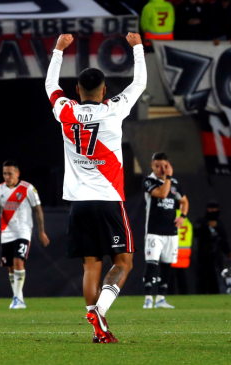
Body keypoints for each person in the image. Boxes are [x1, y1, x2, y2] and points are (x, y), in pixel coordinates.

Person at [44, 32, 145, 343]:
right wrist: (138, 47)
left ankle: (98, 330)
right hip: (108, 199)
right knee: (124, 262)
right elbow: (138, 84)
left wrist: (59, 50)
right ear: (104, 90)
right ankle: (99, 310)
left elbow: (50, 86)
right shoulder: (113, 109)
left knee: (91, 267)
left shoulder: (65, 111)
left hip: (79, 203)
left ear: (77, 90)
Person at [0, 160, 50, 309]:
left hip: (23, 231)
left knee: (18, 262)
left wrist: (41, 231)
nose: (7, 176)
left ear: (17, 173)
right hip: (6, 232)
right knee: (10, 267)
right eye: (4, 173)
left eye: (10, 173)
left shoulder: (28, 189)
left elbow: (38, 210)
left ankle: (17, 299)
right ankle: (18, 297)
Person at [141, 152, 189, 309]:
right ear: (152, 166)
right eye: (158, 166)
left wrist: (182, 216)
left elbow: (184, 201)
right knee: (152, 263)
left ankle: (160, 298)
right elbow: (161, 194)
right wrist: (167, 178)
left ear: (168, 165)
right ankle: (148, 298)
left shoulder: (174, 183)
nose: (161, 169)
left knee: (167, 264)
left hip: (171, 231)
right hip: (154, 230)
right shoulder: (149, 181)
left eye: (164, 165)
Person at [195, 201, 231, 294]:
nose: (212, 211)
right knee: (203, 278)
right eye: (210, 208)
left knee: (216, 278)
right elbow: (196, 233)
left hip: (217, 255)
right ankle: (202, 295)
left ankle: (216, 294)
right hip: (204, 255)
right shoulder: (201, 222)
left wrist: (228, 252)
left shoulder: (220, 224)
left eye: (214, 209)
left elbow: (224, 238)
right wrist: (206, 226)